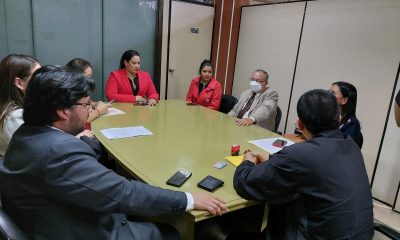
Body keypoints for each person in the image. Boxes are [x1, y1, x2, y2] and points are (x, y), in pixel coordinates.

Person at [0, 67, 228, 240]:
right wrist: (189, 198)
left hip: (47, 220)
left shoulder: (26, 133)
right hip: (81, 231)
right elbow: (124, 193)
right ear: (62, 111)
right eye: (86, 105)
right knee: (171, 231)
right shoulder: (59, 152)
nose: (90, 110)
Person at [233, 89, 373, 240]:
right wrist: (272, 158)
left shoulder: (299, 155)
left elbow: (245, 183)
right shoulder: (351, 146)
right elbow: (315, 164)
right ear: (339, 119)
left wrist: (247, 161)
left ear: (299, 123)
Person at [0, 54, 41, 158]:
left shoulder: (10, 108)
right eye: (37, 77)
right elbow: (38, 152)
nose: (43, 80)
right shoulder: (14, 116)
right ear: (19, 83)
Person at [66, 58, 109, 122]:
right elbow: (79, 121)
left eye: (90, 77)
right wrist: (98, 111)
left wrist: (95, 104)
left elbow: (88, 102)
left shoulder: (80, 88)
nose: (90, 80)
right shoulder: (67, 92)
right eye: (87, 76)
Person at [329, 81, 363, 148]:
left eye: (333, 93)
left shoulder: (352, 124)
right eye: (328, 91)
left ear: (344, 100)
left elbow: (344, 150)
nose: (327, 95)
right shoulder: (327, 116)